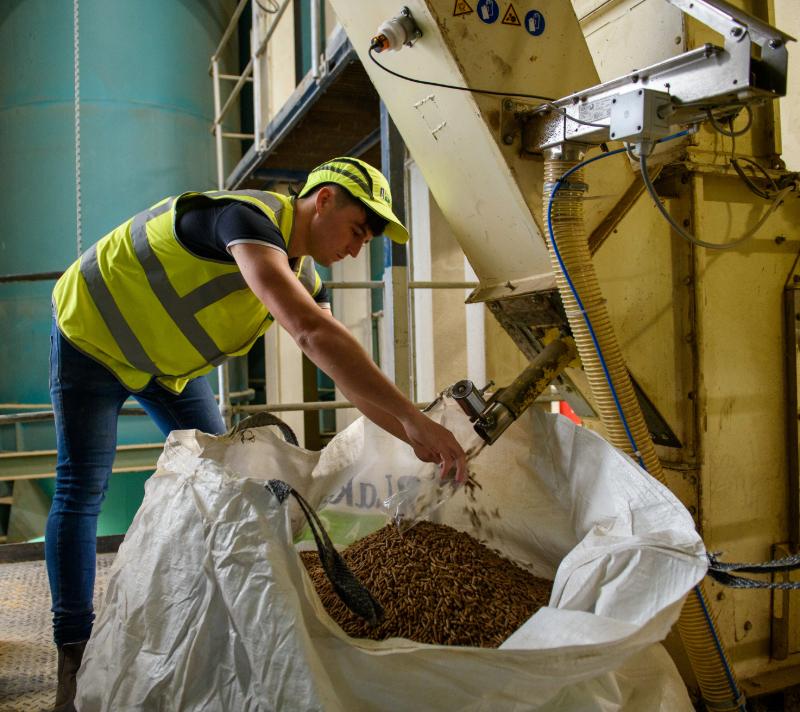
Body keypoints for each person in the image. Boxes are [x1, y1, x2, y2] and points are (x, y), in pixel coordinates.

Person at [46, 156, 467, 710]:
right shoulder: (242, 220)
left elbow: (340, 370)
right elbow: (312, 333)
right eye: (359, 230)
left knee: (224, 481)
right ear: (324, 201)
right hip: (94, 335)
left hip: (167, 368)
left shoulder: (305, 274)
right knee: (83, 489)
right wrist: (414, 417)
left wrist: (409, 433)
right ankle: (73, 652)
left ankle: (210, 619)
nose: (358, 247)